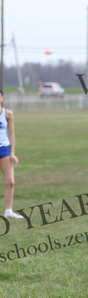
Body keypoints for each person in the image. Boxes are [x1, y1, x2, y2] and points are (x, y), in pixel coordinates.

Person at [0, 91, 23, 219]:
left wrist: (12, 153)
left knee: (10, 182)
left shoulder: (8, 114)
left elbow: (12, 135)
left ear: (1, 98)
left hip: (4, 150)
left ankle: (8, 211)